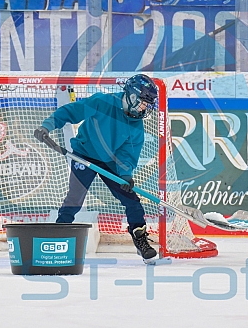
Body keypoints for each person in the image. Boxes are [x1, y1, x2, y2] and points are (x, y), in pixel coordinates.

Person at [33, 74, 159, 263]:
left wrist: (125, 176)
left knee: (132, 200)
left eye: (147, 106)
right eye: (142, 103)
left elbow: (127, 154)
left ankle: (140, 240)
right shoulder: (102, 102)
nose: (144, 108)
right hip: (84, 153)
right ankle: (57, 236)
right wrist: (47, 126)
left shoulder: (136, 126)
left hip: (110, 161)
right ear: (132, 96)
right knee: (75, 199)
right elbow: (71, 111)